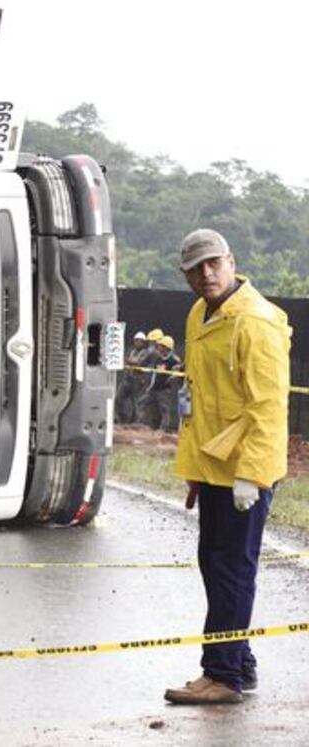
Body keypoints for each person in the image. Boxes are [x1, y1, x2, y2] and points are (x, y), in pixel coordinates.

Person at [163, 228, 291, 705]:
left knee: (231, 571)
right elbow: (199, 399)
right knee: (216, 567)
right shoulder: (200, 313)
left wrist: (251, 475)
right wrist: (196, 471)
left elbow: (268, 408)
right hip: (214, 467)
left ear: (231, 261)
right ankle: (239, 662)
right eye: (195, 268)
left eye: (213, 263)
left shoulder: (255, 323)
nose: (206, 274)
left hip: (244, 474)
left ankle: (222, 675)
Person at [137, 335, 182, 431]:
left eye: (160, 346)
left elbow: (177, 374)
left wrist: (172, 378)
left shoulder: (174, 360)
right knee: (143, 403)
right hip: (153, 389)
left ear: (166, 347)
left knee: (164, 409)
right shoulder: (158, 358)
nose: (158, 347)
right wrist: (150, 386)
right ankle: (143, 424)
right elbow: (154, 374)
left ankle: (164, 428)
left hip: (164, 390)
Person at [116, 331, 149, 424]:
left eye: (139, 341)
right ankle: (123, 419)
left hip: (138, 380)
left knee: (137, 402)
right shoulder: (132, 351)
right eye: (136, 340)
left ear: (143, 342)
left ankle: (137, 422)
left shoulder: (145, 353)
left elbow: (140, 363)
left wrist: (128, 361)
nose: (137, 343)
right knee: (119, 399)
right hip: (128, 379)